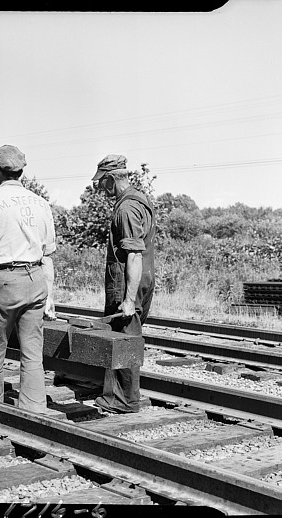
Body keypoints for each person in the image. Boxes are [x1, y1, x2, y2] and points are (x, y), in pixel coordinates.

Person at [0, 144, 56, 414]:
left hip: (3, 280)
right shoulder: (41, 203)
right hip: (36, 279)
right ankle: (34, 412)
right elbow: (48, 255)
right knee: (32, 353)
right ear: (21, 172)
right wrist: (49, 295)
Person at [91, 154, 156, 414]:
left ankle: (123, 400)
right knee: (130, 336)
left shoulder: (126, 208)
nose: (99, 187)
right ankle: (125, 395)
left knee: (124, 338)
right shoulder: (141, 200)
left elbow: (133, 254)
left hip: (128, 280)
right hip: (144, 278)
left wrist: (128, 298)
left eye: (101, 182)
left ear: (110, 179)